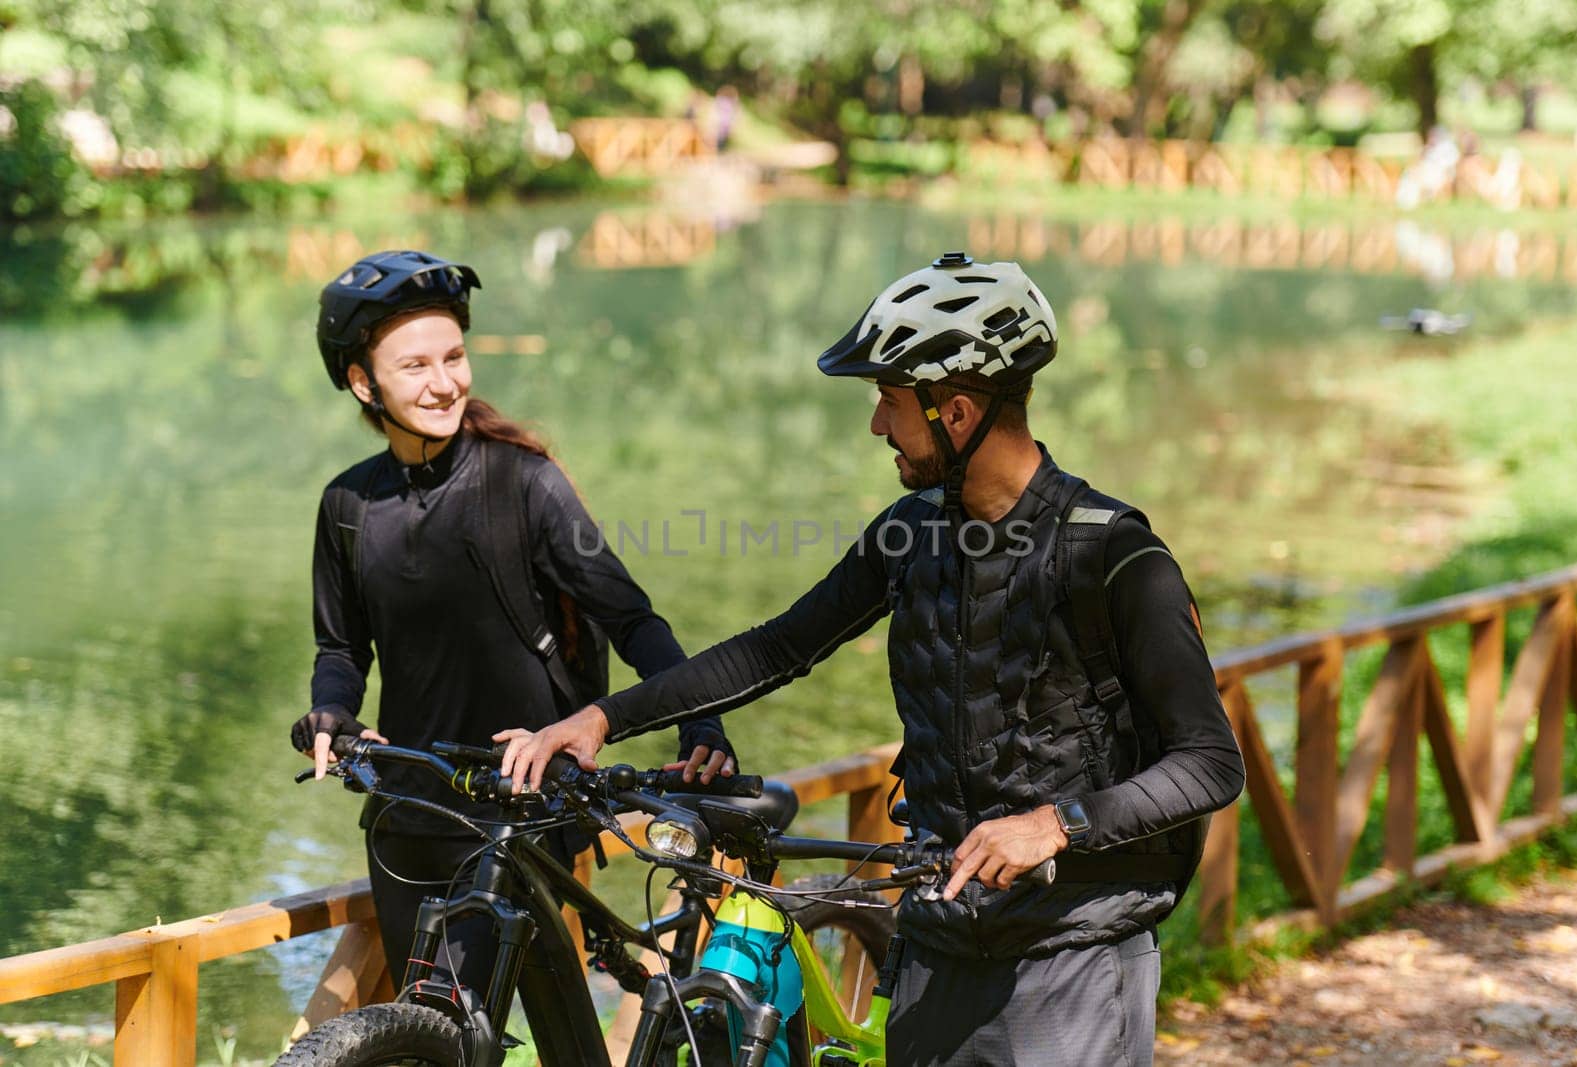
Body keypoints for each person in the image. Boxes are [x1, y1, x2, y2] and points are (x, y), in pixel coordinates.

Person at [497, 253, 1246, 1065]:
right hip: (939, 942)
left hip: (1074, 956)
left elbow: (1210, 762)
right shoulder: (911, 532)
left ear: (956, 411)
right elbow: (778, 646)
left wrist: (1053, 825)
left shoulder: (1118, 557)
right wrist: (603, 717)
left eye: (890, 401)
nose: (877, 426)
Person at [291, 249, 736, 1055]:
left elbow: (631, 619)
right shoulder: (349, 506)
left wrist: (700, 724)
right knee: (447, 1036)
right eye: (415, 365)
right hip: (410, 809)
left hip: (524, 812)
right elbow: (341, 646)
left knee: (481, 1035)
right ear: (365, 384)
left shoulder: (522, 482)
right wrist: (332, 709)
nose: (443, 382)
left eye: (453, 356)